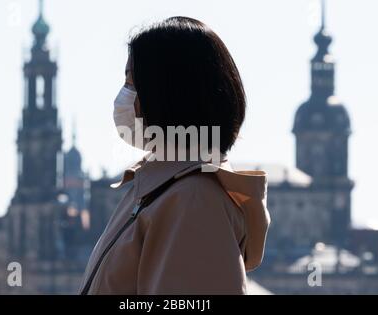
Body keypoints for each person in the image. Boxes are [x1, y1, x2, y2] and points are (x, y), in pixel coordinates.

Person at [80, 16, 270, 295]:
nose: (124, 96)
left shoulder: (192, 198)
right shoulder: (158, 187)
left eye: (133, 83)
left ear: (170, 92)